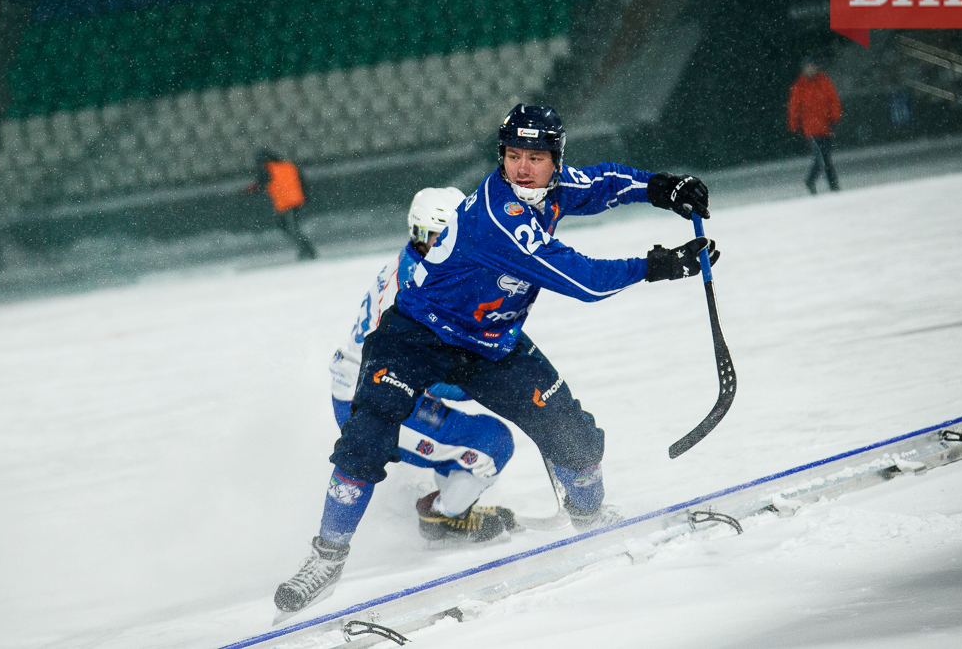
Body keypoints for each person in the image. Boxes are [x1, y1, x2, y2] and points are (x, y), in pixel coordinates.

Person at [274, 104, 719, 615]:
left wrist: (663, 187)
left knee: (577, 441)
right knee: (366, 435)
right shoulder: (498, 216)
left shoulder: (552, 186)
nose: (522, 168)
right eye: (512, 156)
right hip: (417, 335)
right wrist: (660, 265)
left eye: (535, 157)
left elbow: (599, 183)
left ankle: (590, 524)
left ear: (554, 160)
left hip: (492, 343)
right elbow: (584, 281)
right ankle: (327, 558)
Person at [327, 186, 517, 545]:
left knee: (467, 441)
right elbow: (428, 369)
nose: (443, 246)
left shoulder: (417, 265)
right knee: (493, 443)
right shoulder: (418, 282)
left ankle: (451, 507)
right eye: (433, 237)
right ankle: (440, 519)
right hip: (374, 396)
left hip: (367, 386)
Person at [248, 148, 318, 259]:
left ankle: (307, 251)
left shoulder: (267, 169)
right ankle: (306, 250)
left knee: (291, 229)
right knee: (289, 227)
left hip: (286, 203)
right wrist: (305, 197)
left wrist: (250, 190)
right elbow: (303, 182)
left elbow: (260, 184)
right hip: (295, 200)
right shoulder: (288, 165)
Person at [787, 56, 842, 195]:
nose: (810, 69)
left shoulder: (824, 81)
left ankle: (812, 181)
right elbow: (794, 107)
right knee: (823, 157)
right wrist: (794, 125)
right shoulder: (799, 86)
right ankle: (832, 185)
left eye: (812, 66)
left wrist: (834, 118)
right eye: (807, 67)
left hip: (826, 126)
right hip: (810, 129)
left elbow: (833, 100)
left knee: (824, 157)